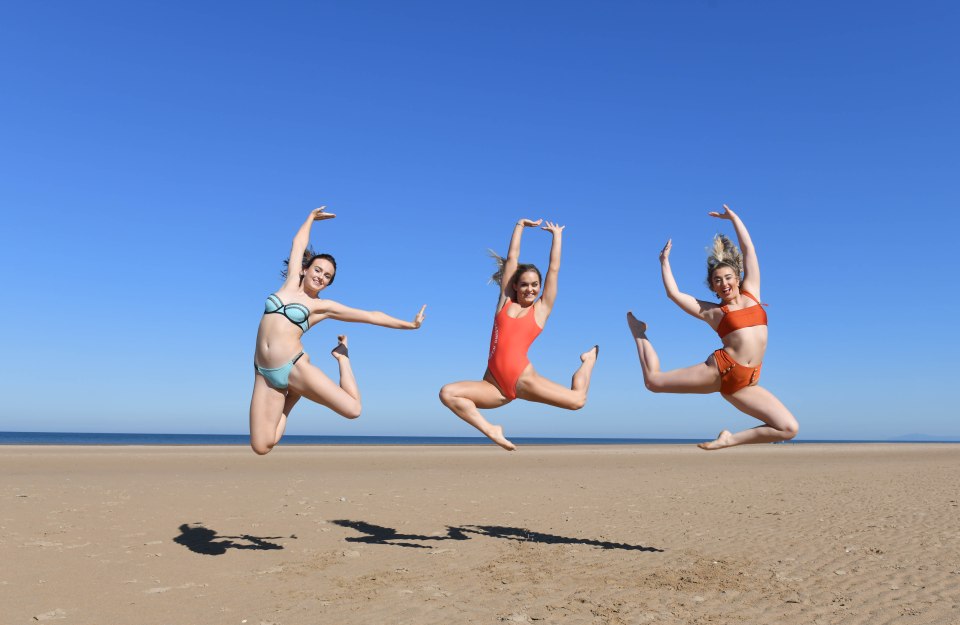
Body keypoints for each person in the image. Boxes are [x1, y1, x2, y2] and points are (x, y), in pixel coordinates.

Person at [250, 207, 426, 455]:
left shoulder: (323, 307)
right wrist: (310, 218)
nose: (321, 276)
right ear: (304, 269)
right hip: (262, 370)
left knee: (352, 409)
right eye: (318, 270)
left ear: (329, 283)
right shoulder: (289, 282)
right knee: (261, 446)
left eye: (327, 276)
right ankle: (292, 398)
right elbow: (298, 243)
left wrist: (410, 325)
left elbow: (370, 316)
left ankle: (342, 358)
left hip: (292, 366)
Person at [626, 205, 798, 450]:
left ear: (737, 278)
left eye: (728, 278)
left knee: (789, 428)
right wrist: (664, 262)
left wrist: (735, 219)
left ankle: (729, 439)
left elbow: (749, 250)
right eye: (718, 281)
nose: (724, 283)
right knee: (653, 381)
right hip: (722, 371)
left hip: (747, 382)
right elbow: (674, 294)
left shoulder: (753, 293)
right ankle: (638, 331)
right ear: (713, 288)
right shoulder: (714, 312)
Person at [440, 218, 599, 451]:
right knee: (448, 393)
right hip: (493, 384)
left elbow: (553, 269)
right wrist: (519, 226)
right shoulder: (504, 303)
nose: (530, 289)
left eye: (535, 284)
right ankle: (492, 430)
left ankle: (589, 360)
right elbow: (512, 259)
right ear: (515, 286)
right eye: (524, 284)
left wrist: (557, 236)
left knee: (578, 401)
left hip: (522, 379)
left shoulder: (540, 310)